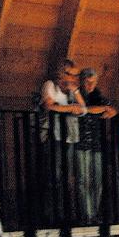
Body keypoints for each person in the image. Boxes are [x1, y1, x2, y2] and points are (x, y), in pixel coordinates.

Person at [37, 59, 87, 225]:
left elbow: (83, 109)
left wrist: (76, 94)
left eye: (75, 75)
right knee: (54, 176)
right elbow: (49, 106)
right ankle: (51, 214)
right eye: (70, 74)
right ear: (62, 73)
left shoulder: (73, 91)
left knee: (67, 176)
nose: (73, 78)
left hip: (70, 137)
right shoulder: (50, 85)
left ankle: (66, 213)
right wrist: (70, 109)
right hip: (54, 136)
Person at [75, 68, 118, 223]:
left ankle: (93, 213)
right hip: (80, 143)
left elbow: (112, 110)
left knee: (97, 181)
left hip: (96, 143)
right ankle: (86, 215)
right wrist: (100, 110)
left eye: (93, 83)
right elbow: (84, 110)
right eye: (88, 82)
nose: (90, 86)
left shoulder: (97, 95)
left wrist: (105, 110)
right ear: (82, 81)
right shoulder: (76, 94)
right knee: (83, 180)